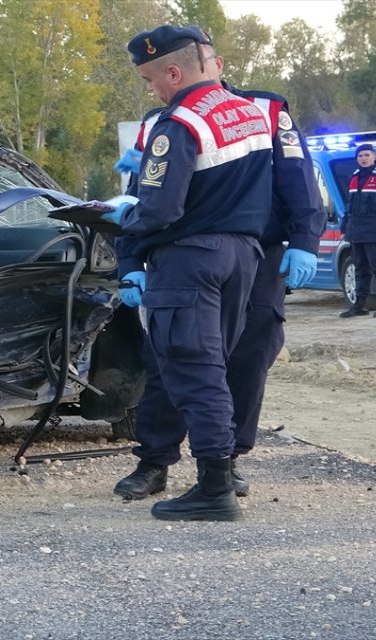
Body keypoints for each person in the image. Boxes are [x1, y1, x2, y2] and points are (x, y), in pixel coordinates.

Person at [111, 32, 325, 504]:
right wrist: (131, 264)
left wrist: (305, 241)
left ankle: (226, 463)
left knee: (248, 354)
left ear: (213, 62)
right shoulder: (162, 122)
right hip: (188, 253)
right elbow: (138, 196)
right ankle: (155, 459)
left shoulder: (265, 110)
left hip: (260, 254)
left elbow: (300, 181)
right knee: (172, 356)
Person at [100, 24, 273, 522]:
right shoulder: (248, 112)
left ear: (173, 72)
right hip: (242, 255)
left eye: (152, 80)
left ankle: (214, 488)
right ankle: (214, 473)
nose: (151, 90)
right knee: (215, 368)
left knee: (195, 374)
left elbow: (157, 210)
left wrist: (115, 218)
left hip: (188, 261)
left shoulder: (177, 123)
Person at [338, 143, 376, 318]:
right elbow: (350, 207)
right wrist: (344, 228)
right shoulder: (355, 177)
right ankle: (359, 305)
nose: (363, 159)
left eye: (366, 155)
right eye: (360, 156)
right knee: (360, 270)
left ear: (374, 157)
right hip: (356, 232)